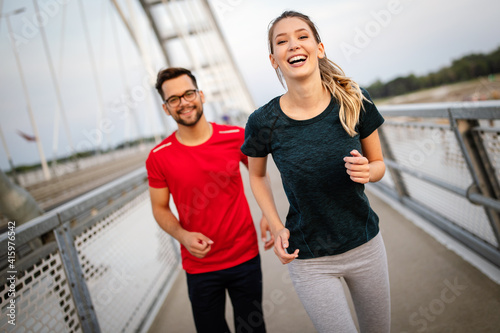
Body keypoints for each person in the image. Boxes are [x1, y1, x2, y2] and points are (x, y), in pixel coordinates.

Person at [241, 11, 390, 333]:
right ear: (273, 59)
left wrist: (369, 170)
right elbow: (256, 175)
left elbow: (379, 164)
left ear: (319, 48)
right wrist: (278, 226)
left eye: (302, 36)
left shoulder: (354, 100)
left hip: (365, 246)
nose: (293, 45)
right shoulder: (263, 122)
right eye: (282, 41)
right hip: (309, 259)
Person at [146, 67, 272, 333]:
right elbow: (159, 208)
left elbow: (259, 176)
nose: (184, 103)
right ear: (166, 108)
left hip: (244, 257)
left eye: (189, 93)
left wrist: (267, 216)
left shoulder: (236, 137)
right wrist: (182, 235)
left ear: (201, 95)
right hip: (199, 266)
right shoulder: (158, 156)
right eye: (174, 99)